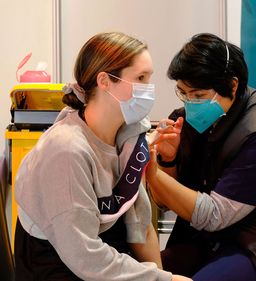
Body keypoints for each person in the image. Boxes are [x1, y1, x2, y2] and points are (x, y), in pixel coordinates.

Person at [14, 32, 190, 281]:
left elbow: (139, 225)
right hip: (58, 263)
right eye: (140, 78)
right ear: (105, 81)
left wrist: (162, 276)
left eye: (149, 79)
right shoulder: (66, 150)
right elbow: (84, 256)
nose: (148, 90)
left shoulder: (130, 133)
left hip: (101, 255)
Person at [146, 33, 256, 281]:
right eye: (183, 93)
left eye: (198, 95)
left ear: (233, 85)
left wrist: (151, 171)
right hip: (207, 240)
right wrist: (168, 161)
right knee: (137, 274)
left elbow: (214, 216)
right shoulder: (191, 121)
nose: (189, 103)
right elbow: (165, 203)